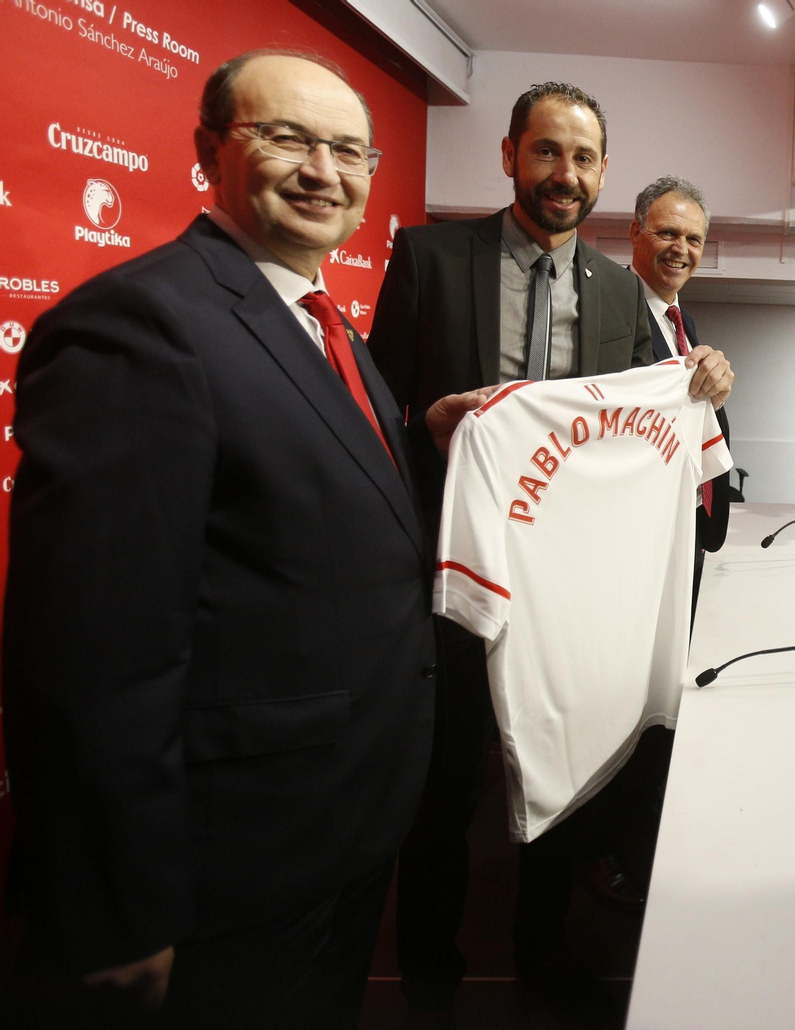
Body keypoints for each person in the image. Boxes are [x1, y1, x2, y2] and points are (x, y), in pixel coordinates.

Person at [0, 49, 487, 1029]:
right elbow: (91, 655)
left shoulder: (326, 328)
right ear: (208, 150)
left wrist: (417, 437)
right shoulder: (143, 326)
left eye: (348, 149)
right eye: (286, 138)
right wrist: (113, 913)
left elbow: (302, 509)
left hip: (334, 829)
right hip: (220, 867)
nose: (324, 170)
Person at [366, 82, 733, 1022]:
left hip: (570, 584)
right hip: (455, 566)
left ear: (603, 172)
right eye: (546, 152)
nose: (563, 175)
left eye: (582, 158)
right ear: (509, 155)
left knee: (560, 768)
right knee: (445, 784)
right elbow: (370, 416)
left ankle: (542, 948)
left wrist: (708, 383)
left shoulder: (621, 289)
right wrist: (432, 427)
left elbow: (638, 418)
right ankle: (429, 970)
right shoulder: (430, 256)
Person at [629, 175, 734, 608]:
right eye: (668, 233)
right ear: (635, 232)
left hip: (687, 524)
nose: (681, 249)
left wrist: (718, 394)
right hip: (640, 536)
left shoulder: (682, 322)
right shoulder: (608, 308)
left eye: (694, 238)